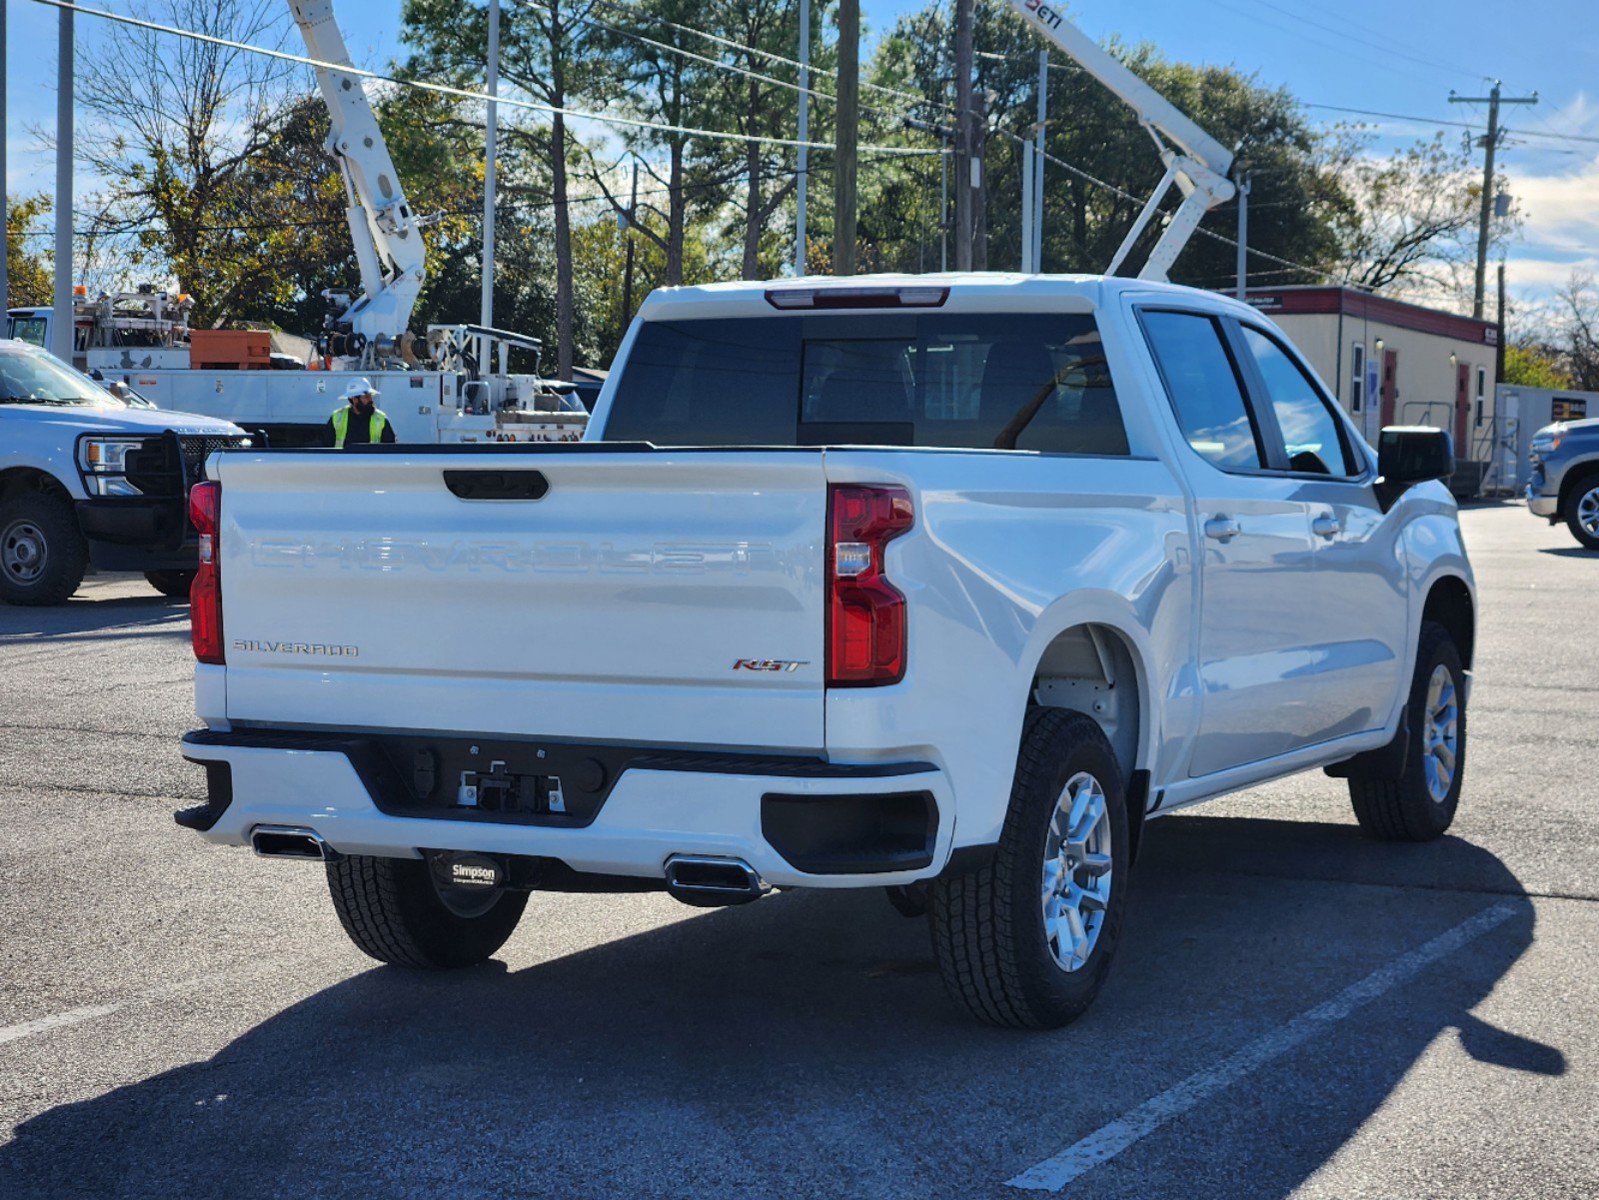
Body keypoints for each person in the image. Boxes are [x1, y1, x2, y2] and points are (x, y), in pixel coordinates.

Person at [323, 378, 396, 447]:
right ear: (355, 399)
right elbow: (326, 448)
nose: (371, 400)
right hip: (343, 460)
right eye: (366, 397)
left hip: (371, 460)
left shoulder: (380, 418)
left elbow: (391, 449)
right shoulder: (337, 418)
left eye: (370, 396)